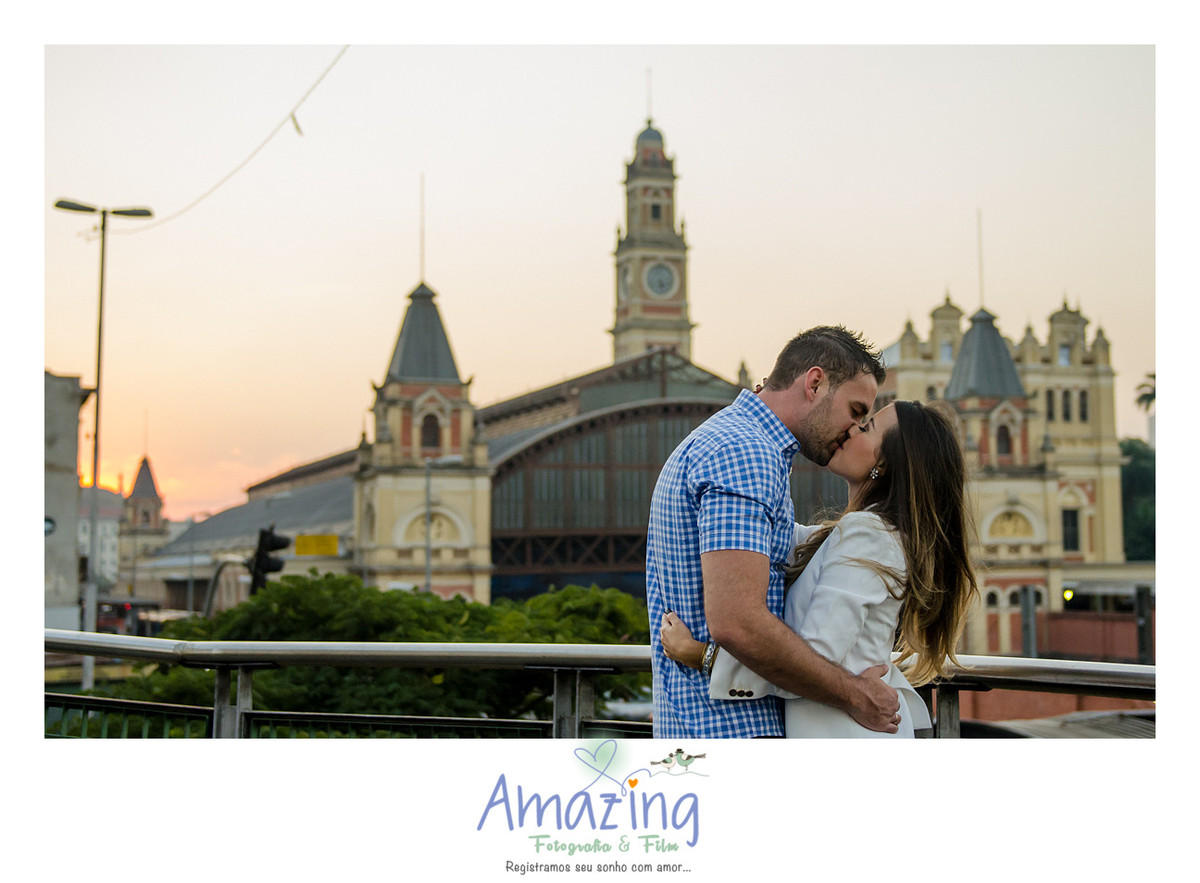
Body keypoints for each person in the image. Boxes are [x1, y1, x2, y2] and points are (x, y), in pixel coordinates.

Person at [661, 399, 979, 737]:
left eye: (867, 426)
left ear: (883, 464)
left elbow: (815, 657)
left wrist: (702, 656)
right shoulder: (860, 533)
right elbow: (779, 535)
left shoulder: (868, 534)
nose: (853, 428)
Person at [646, 325, 900, 738]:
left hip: (702, 728)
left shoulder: (734, 441)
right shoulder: (746, 452)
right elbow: (737, 621)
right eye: (855, 411)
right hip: (732, 731)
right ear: (815, 383)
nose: (853, 429)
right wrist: (856, 693)